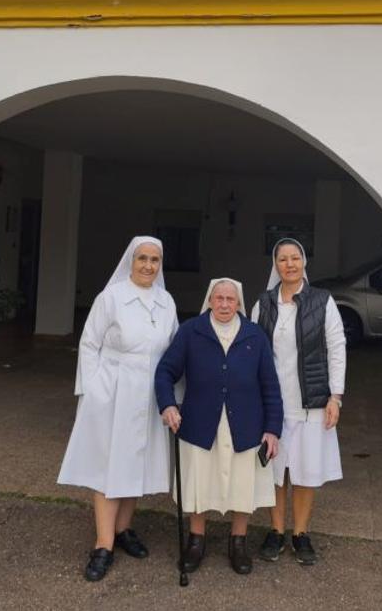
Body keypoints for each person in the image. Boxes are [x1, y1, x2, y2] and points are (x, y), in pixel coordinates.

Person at [57, 236, 178, 582]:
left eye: (155, 260)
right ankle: (103, 544)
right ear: (131, 260)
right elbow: (89, 343)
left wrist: (172, 395)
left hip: (148, 394)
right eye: (142, 258)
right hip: (112, 392)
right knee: (108, 467)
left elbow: (172, 350)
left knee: (134, 463)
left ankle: (124, 530)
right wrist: (93, 391)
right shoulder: (110, 297)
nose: (148, 265)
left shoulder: (165, 301)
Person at [155, 278, 282, 575]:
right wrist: (168, 404)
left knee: (242, 483)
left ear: (239, 303)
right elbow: (165, 371)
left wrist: (272, 428)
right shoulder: (191, 331)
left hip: (245, 423)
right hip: (200, 421)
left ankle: (238, 541)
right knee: (198, 481)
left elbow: (270, 386)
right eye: (219, 298)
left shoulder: (254, 335)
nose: (225, 304)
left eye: (231, 299)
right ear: (210, 300)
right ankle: (196, 539)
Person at [251, 238, 346, 566]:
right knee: (275, 471)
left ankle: (300, 533)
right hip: (274, 404)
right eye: (283, 259)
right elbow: (252, 350)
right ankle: (276, 531)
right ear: (275, 265)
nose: (289, 264)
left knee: (305, 472)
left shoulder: (322, 301)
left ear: (304, 262)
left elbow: (337, 346)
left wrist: (336, 396)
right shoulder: (264, 303)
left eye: (295, 258)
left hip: (312, 403)